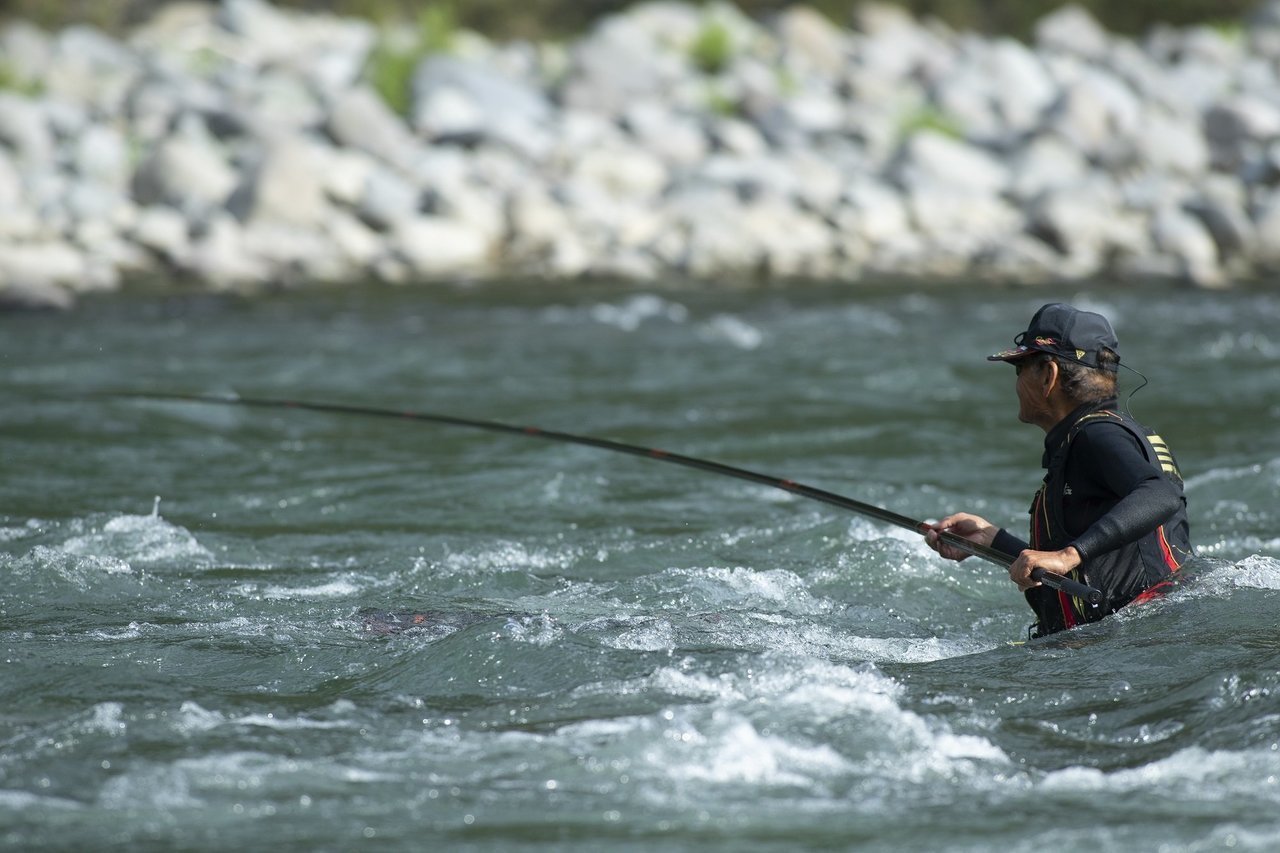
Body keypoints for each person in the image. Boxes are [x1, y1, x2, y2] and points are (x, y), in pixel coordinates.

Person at [924, 303, 1193, 637]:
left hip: (1128, 647)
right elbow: (1081, 566)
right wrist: (992, 540)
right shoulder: (1107, 434)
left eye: (1019, 369)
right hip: (1135, 638)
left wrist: (1068, 555)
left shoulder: (1097, 436)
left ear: (1048, 375)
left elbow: (1160, 493)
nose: (1017, 383)